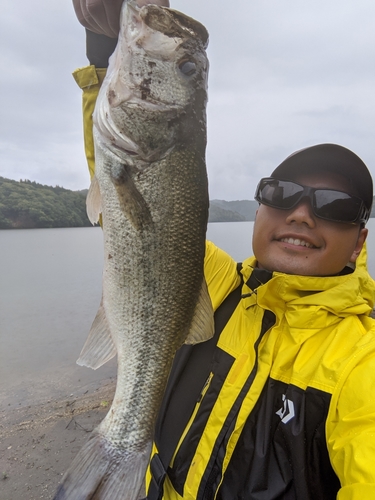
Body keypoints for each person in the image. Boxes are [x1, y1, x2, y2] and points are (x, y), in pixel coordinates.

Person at [73, 2, 375, 498]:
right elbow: (119, 188)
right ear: (259, 210)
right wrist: (103, 50)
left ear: (358, 242)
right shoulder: (209, 279)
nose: (301, 214)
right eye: (282, 194)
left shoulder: (361, 359)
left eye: (335, 206)